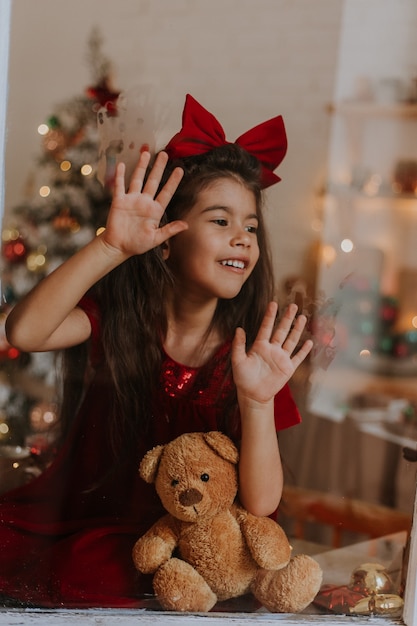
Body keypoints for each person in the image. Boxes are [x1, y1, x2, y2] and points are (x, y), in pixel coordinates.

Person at [1, 94, 312, 609]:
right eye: (220, 221)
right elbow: (25, 332)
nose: (242, 239)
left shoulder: (254, 355)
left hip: (214, 549)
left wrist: (257, 403)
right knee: (88, 570)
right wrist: (111, 247)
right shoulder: (121, 321)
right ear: (165, 239)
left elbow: (261, 504)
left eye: (251, 226)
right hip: (121, 538)